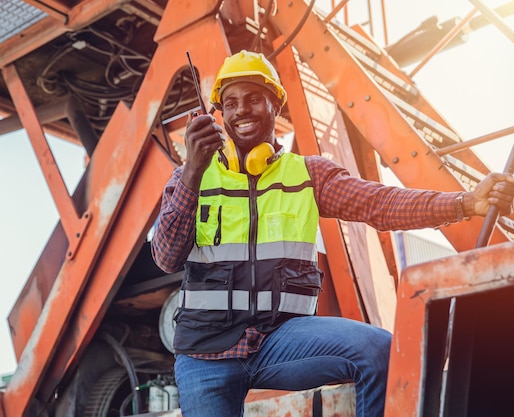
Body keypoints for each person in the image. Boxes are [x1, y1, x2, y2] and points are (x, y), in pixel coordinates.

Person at [150, 50, 514, 417]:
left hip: (279, 341)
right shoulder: (191, 177)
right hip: (204, 354)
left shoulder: (308, 175)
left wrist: (465, 203)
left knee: (379, 353)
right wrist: (194, 170)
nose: (241, 110)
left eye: (254, 99)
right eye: (230, 103)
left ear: (275, 105)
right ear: (220, 115)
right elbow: (166, 257)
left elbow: (381, 204)